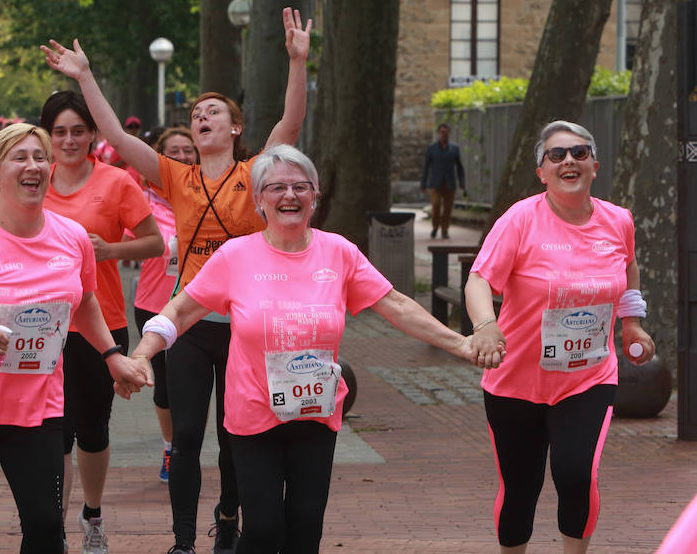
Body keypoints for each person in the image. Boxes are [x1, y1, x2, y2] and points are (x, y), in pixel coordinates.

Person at [42, 6, 311, 554]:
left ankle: (228, 519)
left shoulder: (256, 172)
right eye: (195, 113)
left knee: (237, 435)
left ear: (235, 127)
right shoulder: (175, 175)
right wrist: (84, 76)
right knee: (185, 436)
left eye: (213, 112)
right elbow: (115, 134)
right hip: (189, 321)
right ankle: (184, 541)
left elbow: (291, 125)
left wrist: (298, 61)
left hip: (246, 326)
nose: (201, 118)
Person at [125, 144, 483, 553]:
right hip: (254, 415)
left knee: (305, 530)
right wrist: (142, 354)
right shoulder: (236, 255)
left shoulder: (339, 252)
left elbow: (395, 304)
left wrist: (462, 344)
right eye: (276, 187)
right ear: (259, 199)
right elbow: (181, 310)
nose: (289, 196)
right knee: (263, 530)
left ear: (315, 195)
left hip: (315, 414)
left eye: (300, 186)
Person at [0, 123, 151, 554]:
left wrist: (113, 357)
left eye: (41, 158)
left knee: (46, 527)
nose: (34, 166)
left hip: (38, 409)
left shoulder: (72, 237)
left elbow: (84, 302)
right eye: (20, 158)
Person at [464, 120, 655, 554]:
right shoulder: (520, 220)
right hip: (516, 380)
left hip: (587, 376)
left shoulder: (618, 221)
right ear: (542, 173)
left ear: (594, 165)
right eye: (556, 155)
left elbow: (628, 269)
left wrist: (632, 323)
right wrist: (486, 325)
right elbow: (478, 281)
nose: (569, 160)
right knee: (521, 488)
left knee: (576, 474)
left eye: (579, 152)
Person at [38, 90, 163, 554]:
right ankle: (52, 527)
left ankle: (92, 514)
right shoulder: (34, 180)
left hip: (101, 325)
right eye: (59, 132)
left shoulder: (117, 183)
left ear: (92, 134)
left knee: (92, 429)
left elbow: (154, 244)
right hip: (42, 326)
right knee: (54, 430)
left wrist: (111, 250)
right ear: (47, 137)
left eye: (78, 131)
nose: (69, 140)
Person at [128, 127, 197, 483]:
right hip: (153, 306)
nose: (184, 157)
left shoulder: (207, 200)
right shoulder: (143, 202)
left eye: (189, 150)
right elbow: (120, 241)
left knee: (191, 382)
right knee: (167, 386)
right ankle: (171, 448)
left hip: (198, 307)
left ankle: (189, 448)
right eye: (174, 152)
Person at [420, 123, 465, 239]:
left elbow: (459, 167)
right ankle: (435, 227)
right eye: (441, 132)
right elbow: (426, 167)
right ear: (439, 133)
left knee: (448, 208)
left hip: (449, 183)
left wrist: (462, 182)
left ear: (448, 134)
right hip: (435, 183)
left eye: (445, 132)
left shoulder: (454, 149)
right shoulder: (432, 148)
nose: (443, 134)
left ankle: (444, 230)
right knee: (435, 205)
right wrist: (423, 184)